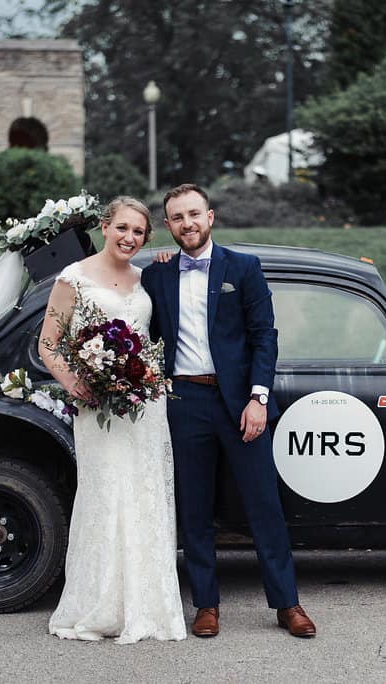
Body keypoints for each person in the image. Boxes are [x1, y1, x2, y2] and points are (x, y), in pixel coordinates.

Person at [141, 183, 316, 638]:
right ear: (168, 226)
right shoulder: (156, 276)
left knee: (264, 506)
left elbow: (265, 336)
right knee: (194, 509)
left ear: (211, 217)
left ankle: (287, 604)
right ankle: (205, 605)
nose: (188, 224)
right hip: (184, 402)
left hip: (241, 404)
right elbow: (147, 338)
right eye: (178, 218)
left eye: (194, 214)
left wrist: (258, 398)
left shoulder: (243, 267)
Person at [39, 196, 186, 644]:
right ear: (105, 227)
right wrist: (76, 381)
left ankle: (148, 606)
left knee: (145, 497)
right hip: (98, 407)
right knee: (105, 494)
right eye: (122, 228)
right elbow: (49, 343)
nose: (129, 238)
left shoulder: (145, 278)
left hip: (145, 406)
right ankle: (98, 605)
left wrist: (164, 265)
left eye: (138, 232)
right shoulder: (74, 279)